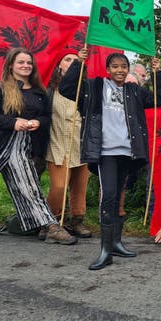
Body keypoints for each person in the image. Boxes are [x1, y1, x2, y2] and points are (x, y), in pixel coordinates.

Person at [60, 49, 161, 270]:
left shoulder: (134, 90)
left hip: (128, 152)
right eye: (115, 67)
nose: (120, 70)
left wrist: (157, 74)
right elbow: (67, 89)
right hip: (105, 152)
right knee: (108, 196)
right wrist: (79, 63)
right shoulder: (95, 86)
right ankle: (105, 250)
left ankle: (117, 243)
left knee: (118, 196)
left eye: (124, 66)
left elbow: (160, 99)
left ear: (128, 69)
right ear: (108, 70)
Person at [0, 47, 75, 244]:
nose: (26, 66)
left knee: (29, 188)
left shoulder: (39, 93)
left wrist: (38, 122)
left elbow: (46, 117)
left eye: (29, 63)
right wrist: (12, 123)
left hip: (20, 148)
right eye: (21, 62)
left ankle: (50, 227)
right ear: (11, 65)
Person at [44, 49, 91, 239]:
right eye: (67, 59)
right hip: (57, 143)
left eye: (75, 59)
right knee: (59, 186)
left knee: (80, 186)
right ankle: (50, 223)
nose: (71, 62)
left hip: (80, 143)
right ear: (59, 65)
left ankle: (76, 221)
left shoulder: (86, 88)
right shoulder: (48, 89)